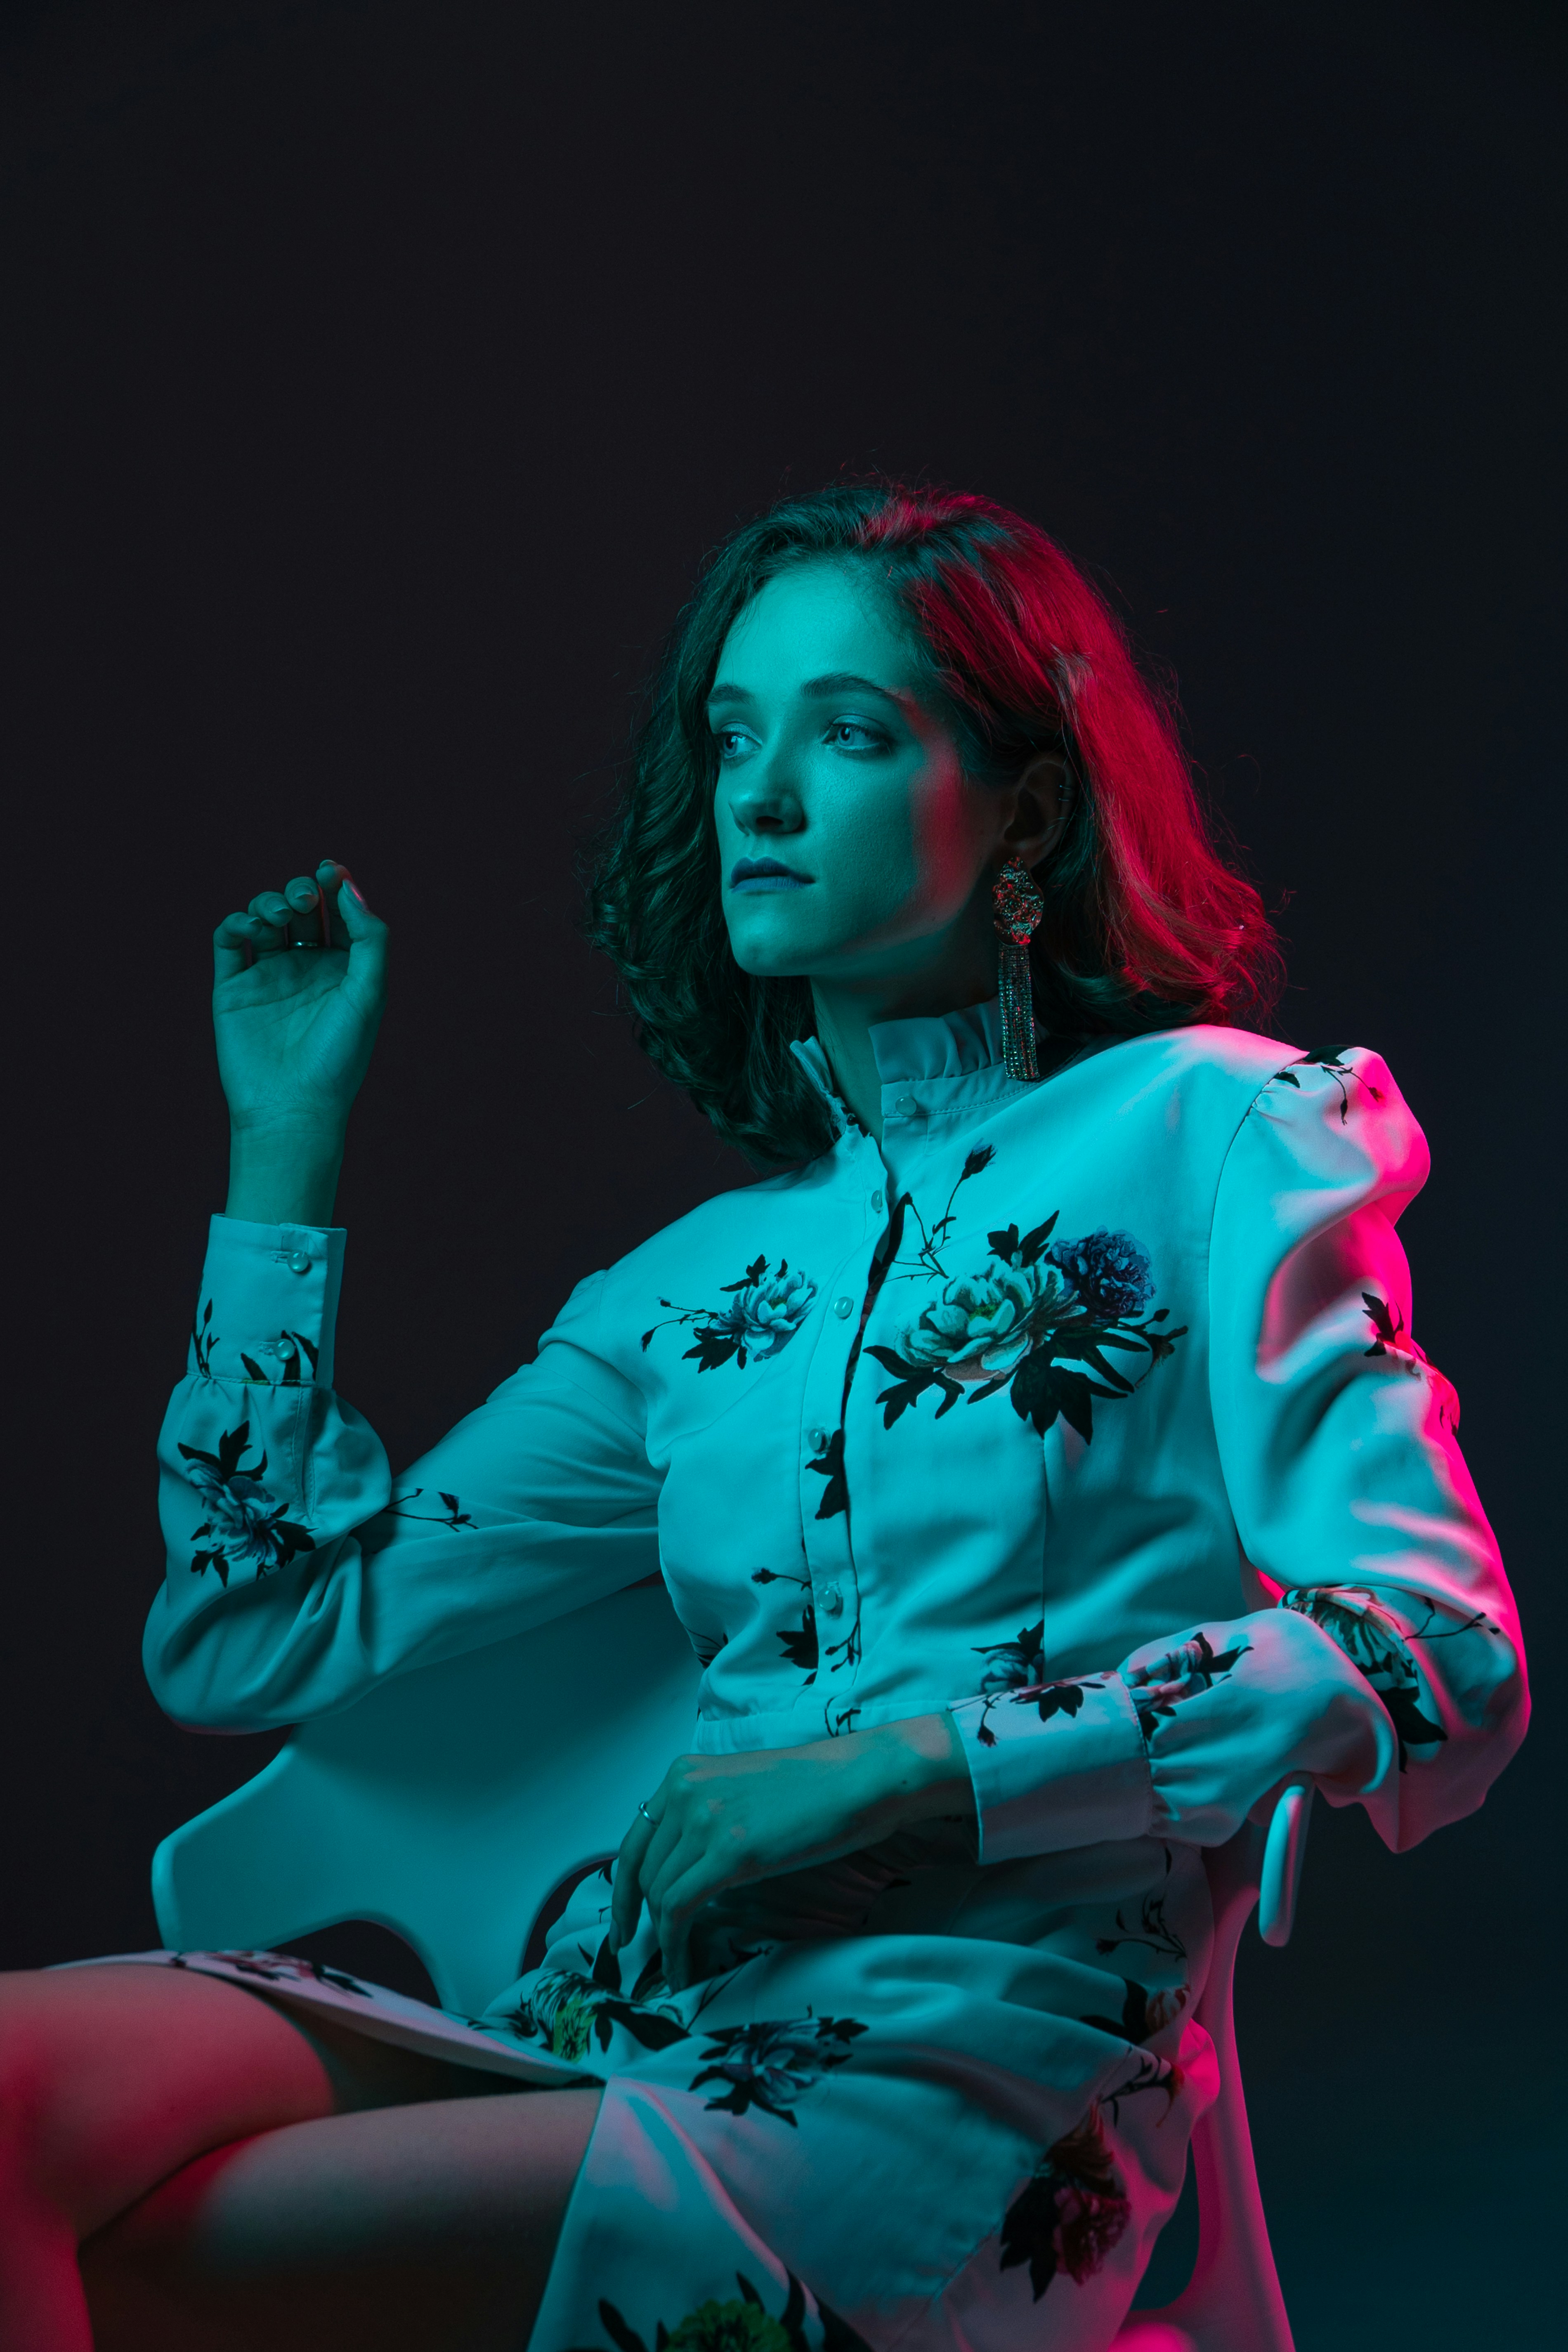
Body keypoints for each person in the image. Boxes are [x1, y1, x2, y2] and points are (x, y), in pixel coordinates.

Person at [0, 484, 1526, 2352]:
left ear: (1027, 808)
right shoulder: (693, 1291)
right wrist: (286, 1140)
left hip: (946, 2093)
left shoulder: (1219, 1134)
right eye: (733, 738)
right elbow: (258, 1631)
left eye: (851, 734)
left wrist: (894, 1768)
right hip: (612, 2032)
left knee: (183, 2264)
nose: (762, 795)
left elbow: (1433, 1651)